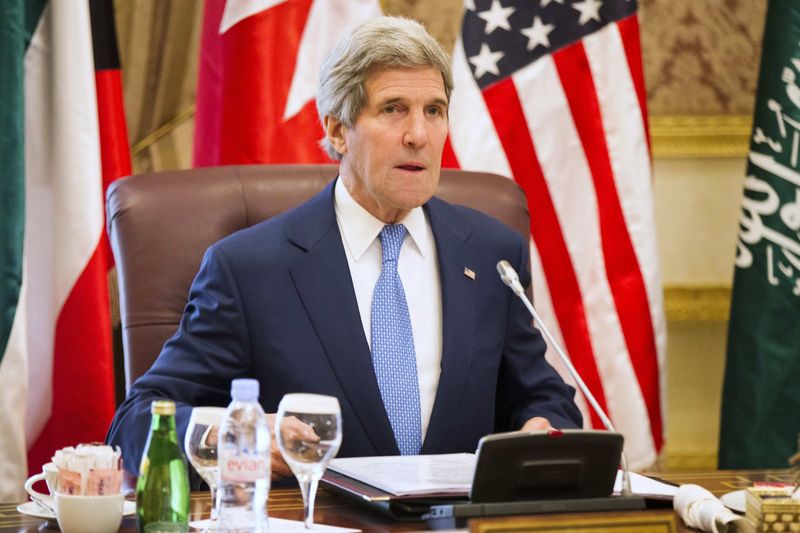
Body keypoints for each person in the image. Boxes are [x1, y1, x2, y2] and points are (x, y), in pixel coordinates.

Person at [107, 16, 582, 479]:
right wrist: (236, 437)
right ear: (337, 130)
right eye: (393, 108)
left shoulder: (490, 251)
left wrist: (544, 427)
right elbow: (136, 423)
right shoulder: (250, 269)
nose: (419, 135)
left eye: (433, 111)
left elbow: (540, 396)